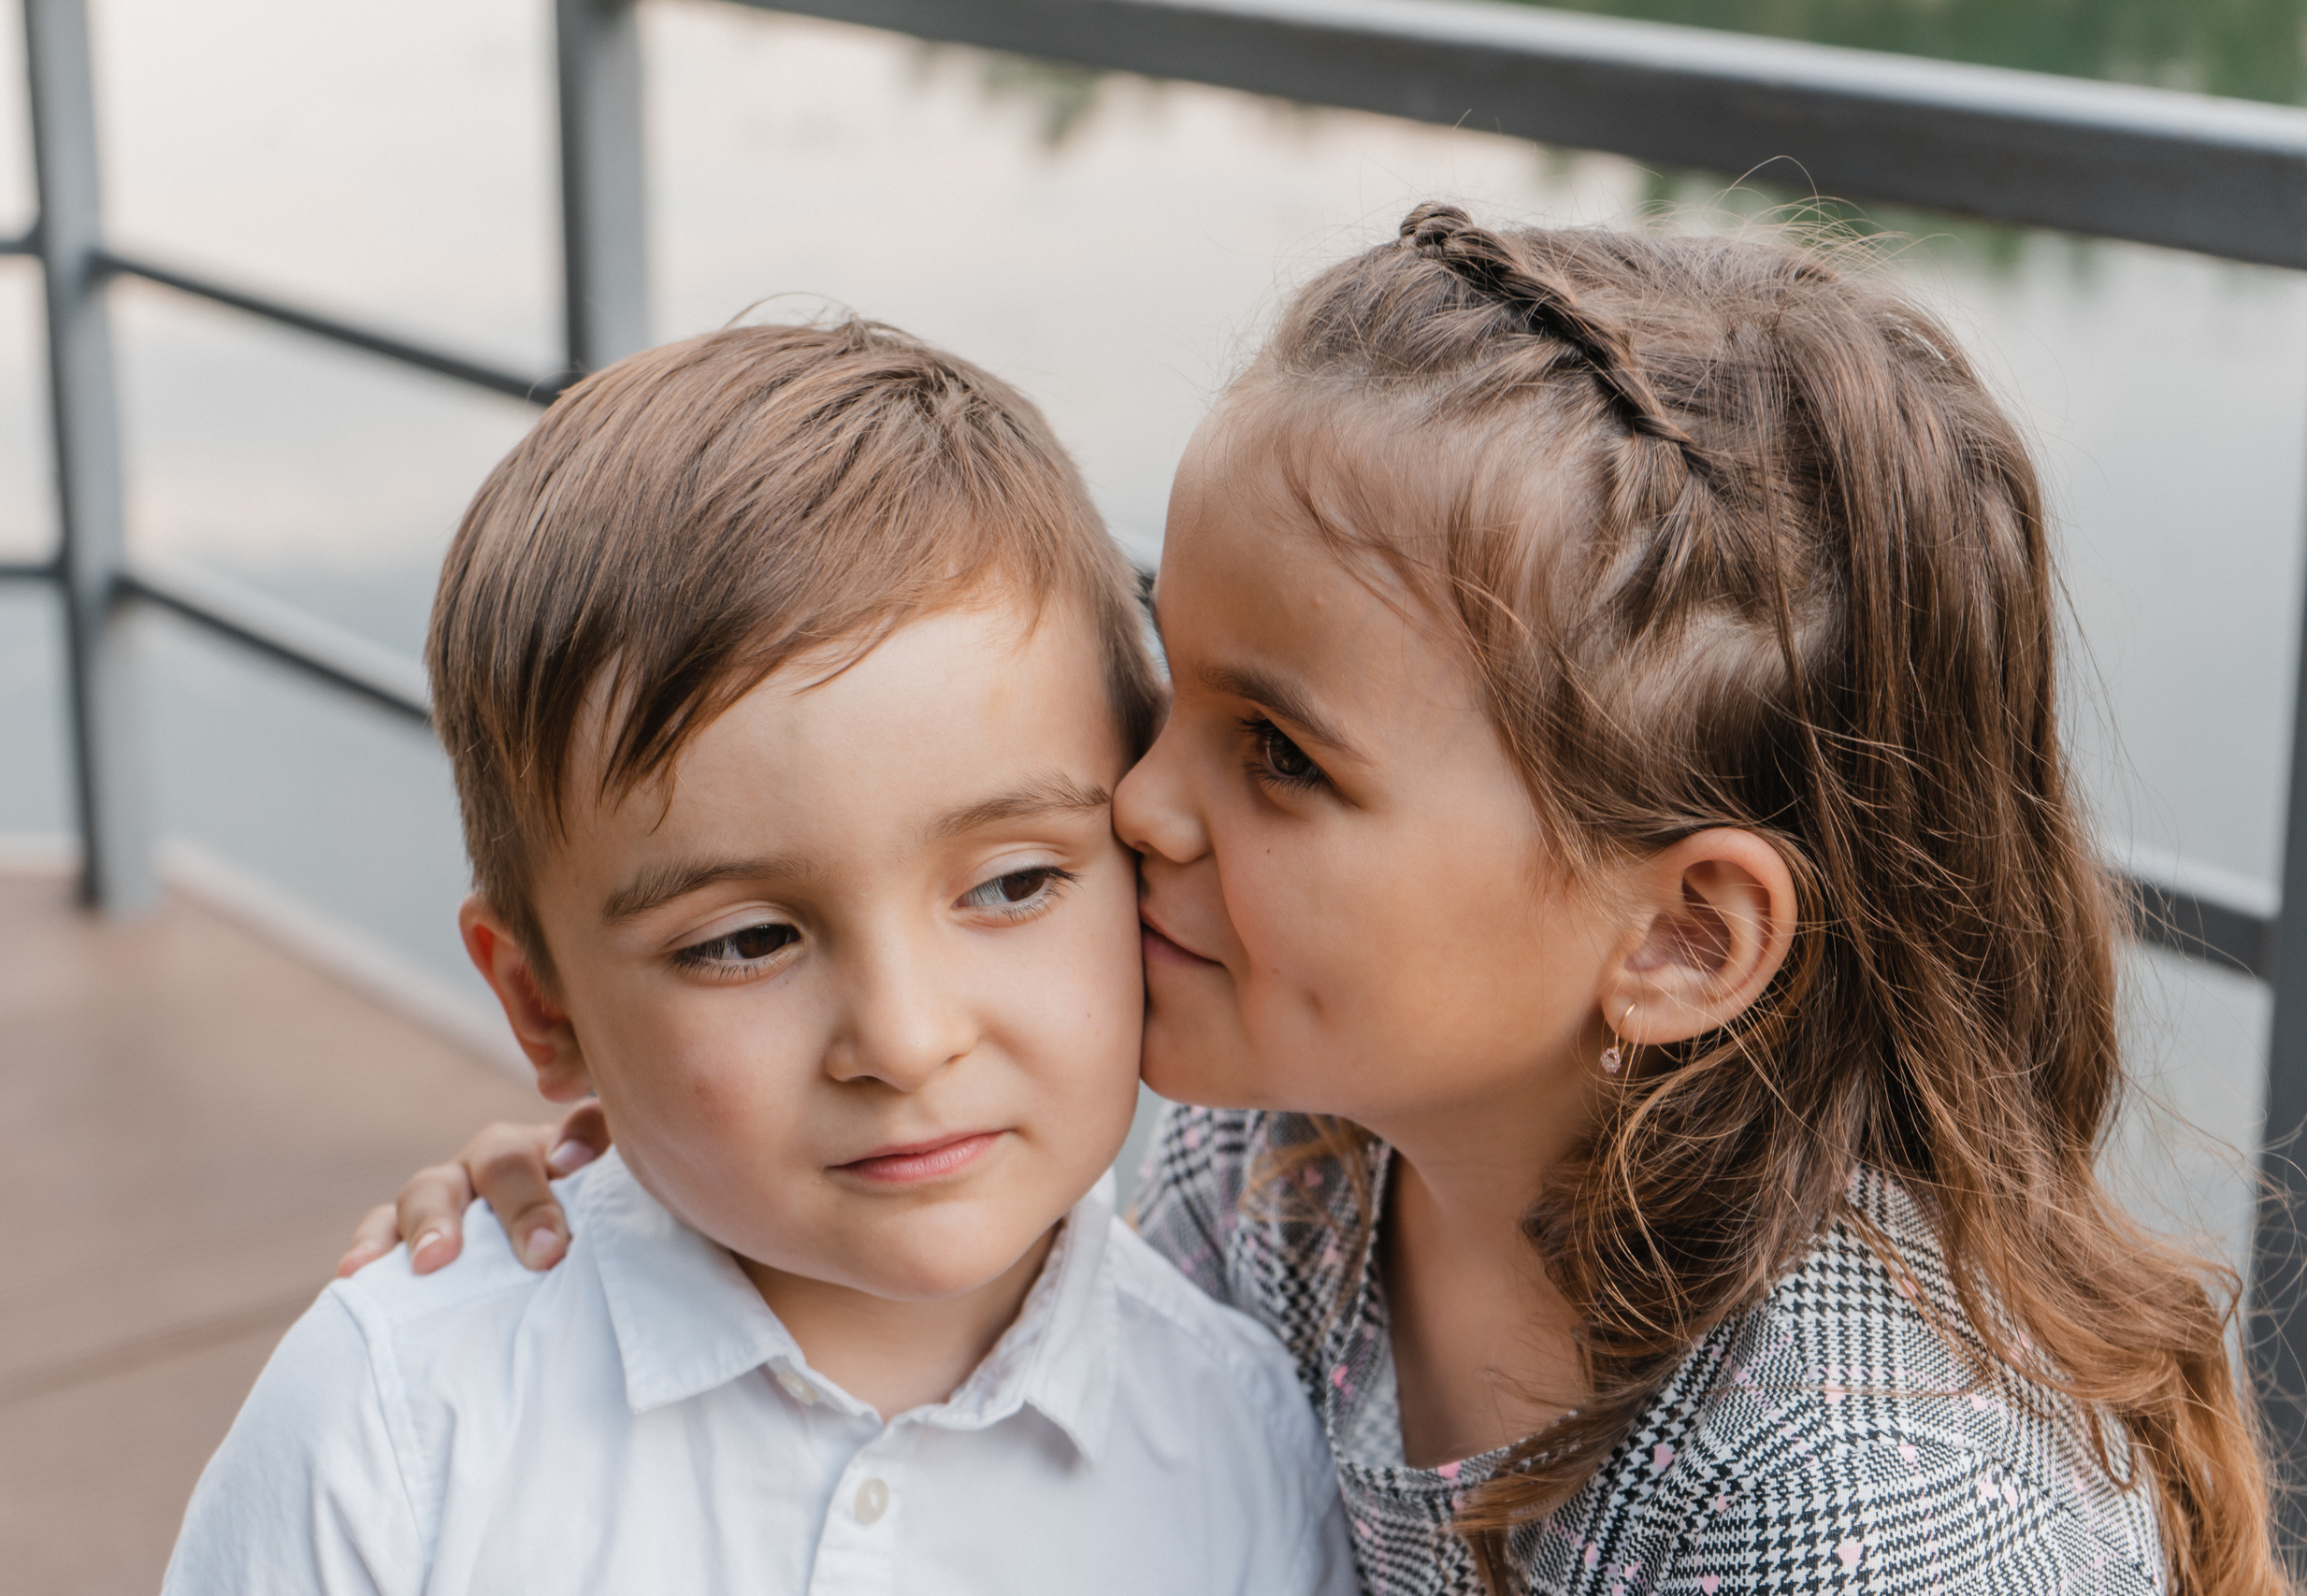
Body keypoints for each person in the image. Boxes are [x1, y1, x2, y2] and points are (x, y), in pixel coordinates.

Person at [345, 209, 2283, 1593]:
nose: (1134, 801)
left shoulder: (1855, 1494)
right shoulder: (1285, 1178)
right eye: (1170, 680)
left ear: (1677, 936)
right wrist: (629, 1192)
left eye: (1275, 754)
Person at [164, 321, 1358, 1596]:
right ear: (540, 1001)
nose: (904, 1040)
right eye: (744, 942)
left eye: (1013, 884)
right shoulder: (393, 1426)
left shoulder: (1250, 1449)